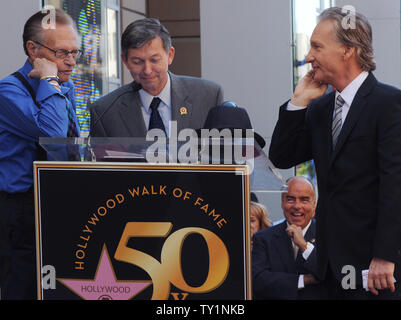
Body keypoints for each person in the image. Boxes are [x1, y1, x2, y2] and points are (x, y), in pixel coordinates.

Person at [269, 7, 401, 299]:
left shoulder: (389, 104)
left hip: (374, 269)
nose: (308, 57)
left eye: (317, 46)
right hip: (328, 269)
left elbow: (395, 186)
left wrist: (385, 255)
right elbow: (282, 156)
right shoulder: (319, 109)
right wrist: (297, 102)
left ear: (347, 50)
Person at [0, 9, 80, 299]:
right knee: (22, 288)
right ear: (32, 49)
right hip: (22, 210)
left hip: (57, 202)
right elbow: (55, 135)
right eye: (61, 52)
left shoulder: (65, 86)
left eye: (74, 51)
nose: (70, 60)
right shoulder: (9, 91)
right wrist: (49, 80)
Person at [89, 18, 224, 138]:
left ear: (170, 55)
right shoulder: (105, 111)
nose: (147, 71)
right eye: (137, 62)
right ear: (125, 60)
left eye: (154, 60)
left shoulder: (207, 96)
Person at [252, 176, 324, 299]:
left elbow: (328, 275)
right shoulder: (264, 238)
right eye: (290, 199)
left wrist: (304, 246)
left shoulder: (327, 236)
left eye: (304, 200)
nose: (297, 206)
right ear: (282, 203)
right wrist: (302, 280)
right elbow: (258, 281)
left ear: (314, 205)